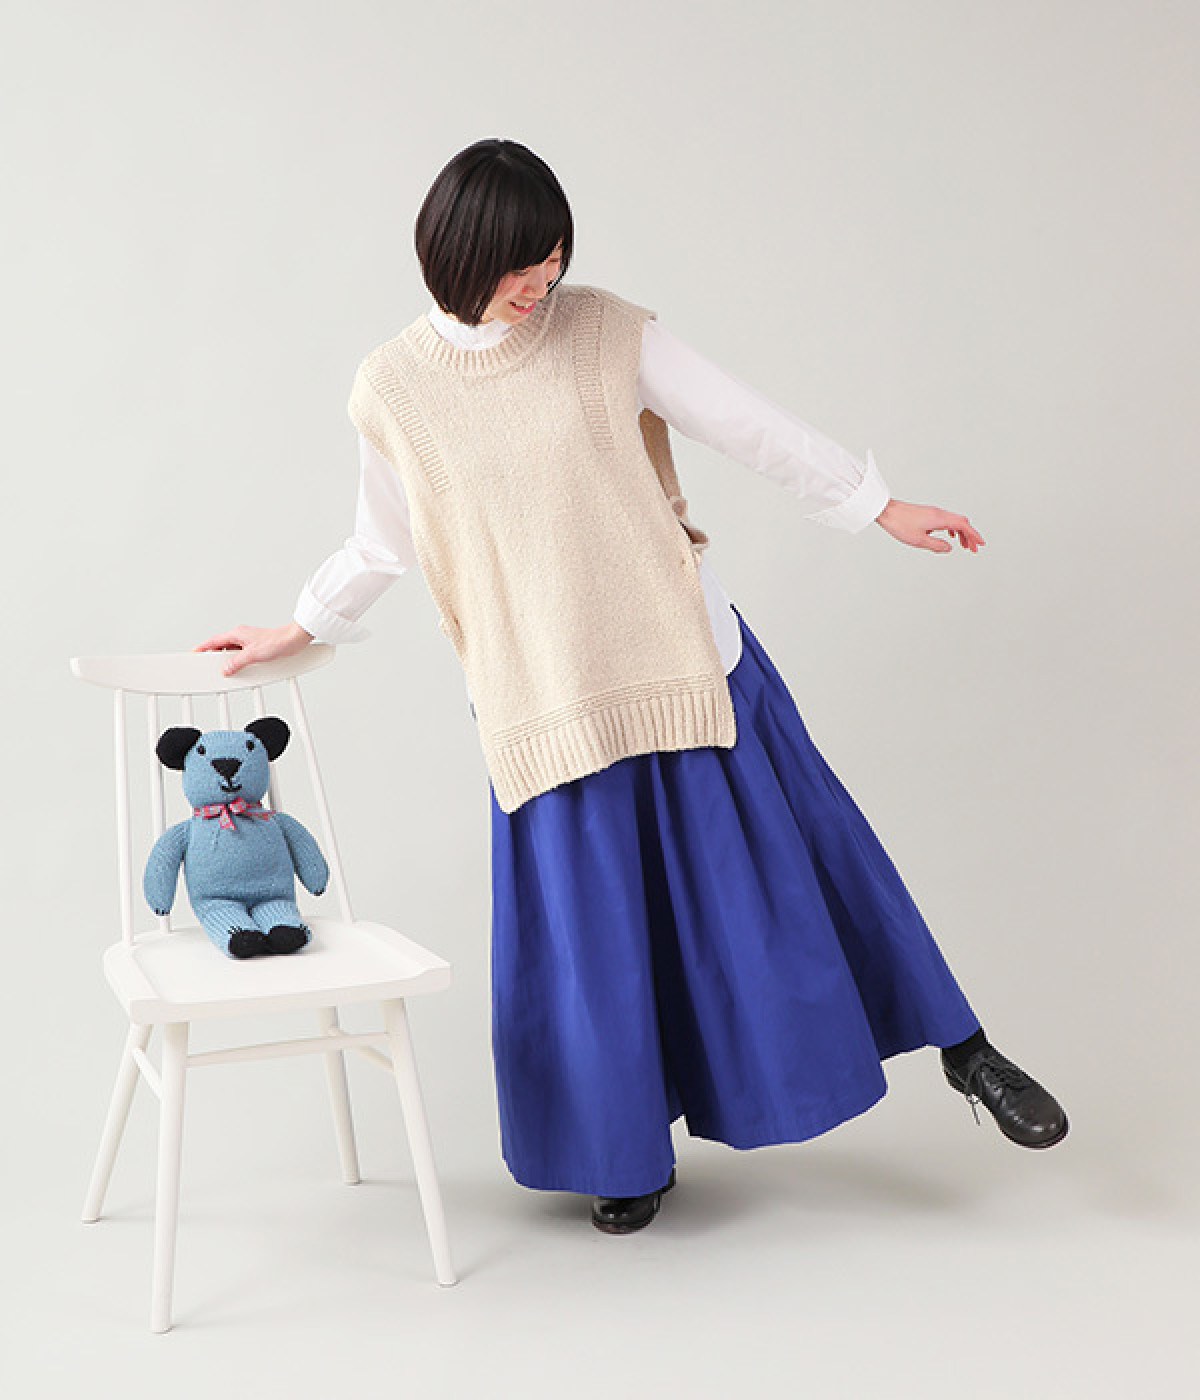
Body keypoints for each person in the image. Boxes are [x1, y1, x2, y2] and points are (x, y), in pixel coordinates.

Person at [196, 137, 1067, 1237]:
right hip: (546, 696)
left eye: (553, 260)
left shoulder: (606, 331)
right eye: (520, 268)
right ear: (454, 256)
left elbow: (746, 423)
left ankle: (968, 1052)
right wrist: (299, 625)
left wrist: (876, 504)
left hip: (685, 663)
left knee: (818, 874)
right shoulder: (395, 389)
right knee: (596, 943)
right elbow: (383, 541)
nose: (542, 285)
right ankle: (625, 1154)